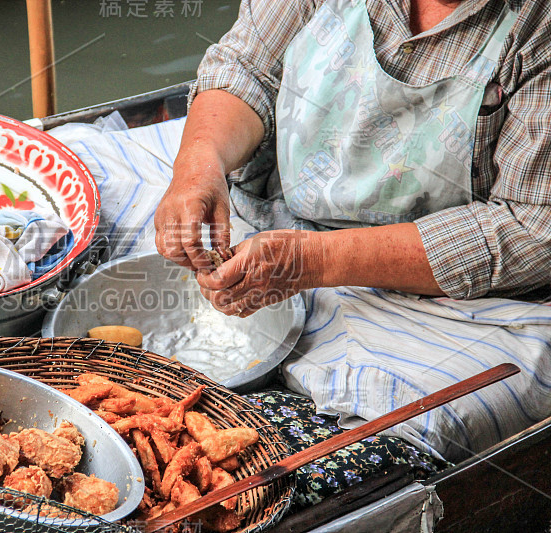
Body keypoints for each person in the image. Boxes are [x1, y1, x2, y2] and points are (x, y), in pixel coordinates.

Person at [154, 0, 551, 471]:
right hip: (275, 206)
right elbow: (248, 67)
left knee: (410, 425)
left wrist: (314, 262)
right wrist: (199, 163)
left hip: (445, 299)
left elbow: (532, 226)